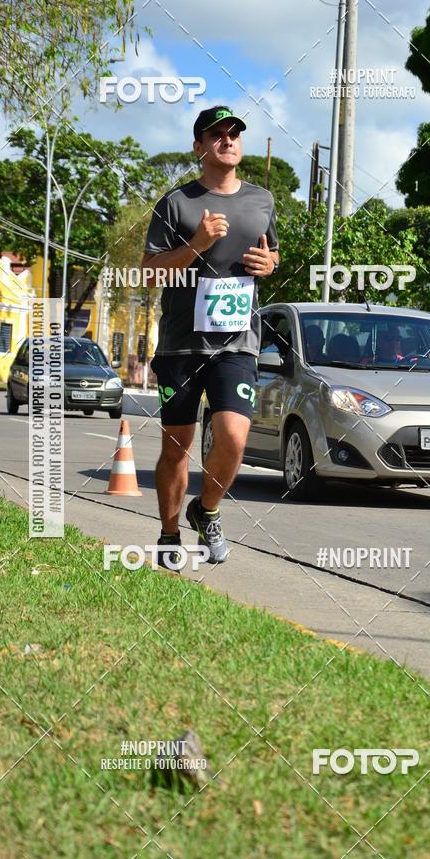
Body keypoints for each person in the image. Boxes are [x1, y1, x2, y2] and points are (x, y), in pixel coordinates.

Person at [142, 106, 279, 568]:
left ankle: (207, 509)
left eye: (234, 133)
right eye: (216, 134)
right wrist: (196, 245)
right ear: (198, 147)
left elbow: (272, 254)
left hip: (236, 344)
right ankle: (169, 534)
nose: (227, 139)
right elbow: (149, 272)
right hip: (182, 345)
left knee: (234, 437)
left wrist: (268, 264)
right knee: (176, 446)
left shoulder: (262, 200)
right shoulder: (176, 203)